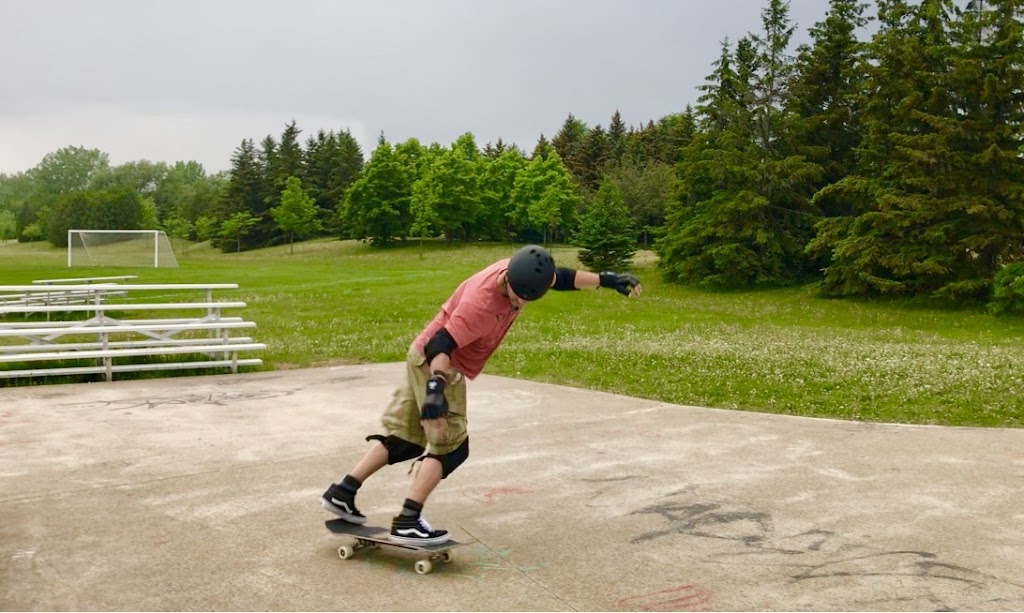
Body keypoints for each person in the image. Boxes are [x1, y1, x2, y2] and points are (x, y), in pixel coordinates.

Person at [320, 244, 641, 545]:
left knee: (406, 440)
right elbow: (440, 346)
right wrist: (436, 390)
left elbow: (564, 278)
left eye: (529, 299)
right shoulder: (481, 305)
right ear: (508, 281)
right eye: (518, 298)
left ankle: (342, 492)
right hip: (438, 364)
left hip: (418, 353)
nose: (521, 304)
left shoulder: (522, 269)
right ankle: (408, 520)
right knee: (451, 448)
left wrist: (607, 280)